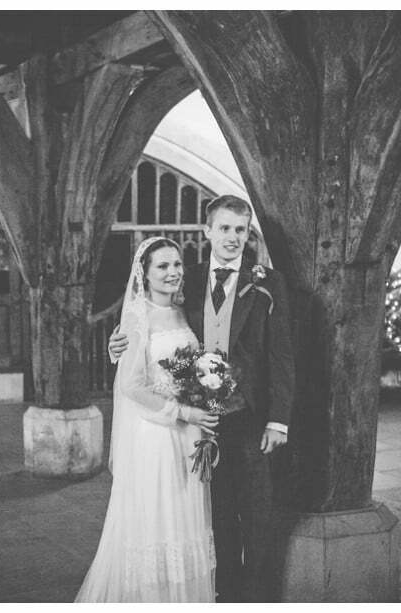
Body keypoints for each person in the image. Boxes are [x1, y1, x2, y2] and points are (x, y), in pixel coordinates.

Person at [109, 195, 295, 602]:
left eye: (240, 230)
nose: (232, 237)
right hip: (198, 426)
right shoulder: (187, 280)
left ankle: (257, 601)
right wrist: (118, 343)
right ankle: (224, 597)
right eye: (224, 228)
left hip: (250, 417)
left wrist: (278, 419)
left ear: (248, 235)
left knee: (257, 516)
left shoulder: (268, 282)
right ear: (207, 231)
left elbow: (282, 356)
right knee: (216, 518)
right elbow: (148, 323)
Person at [75, 236, 220, 602]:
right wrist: (183, 411)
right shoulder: (137, 317)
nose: (173, 272)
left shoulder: (184, 310)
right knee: (158, 523)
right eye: (163, 266)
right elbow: (131, 385)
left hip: (188, 435)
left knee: (185, 522)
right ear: (145, 272)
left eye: (177, 264)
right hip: (157, 433)